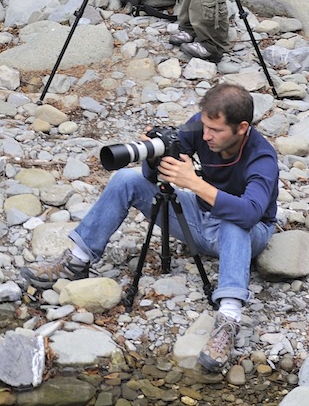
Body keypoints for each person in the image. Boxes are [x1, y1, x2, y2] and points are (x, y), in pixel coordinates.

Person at [20, 82, 279, 374]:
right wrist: (156, 158)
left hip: (246, 234)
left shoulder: (262, 157)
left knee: (234, 221)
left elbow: (250, 213)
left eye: (216, 131)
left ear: (242, 128)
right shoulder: (201, 128)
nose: (206, 136)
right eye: (204, 126)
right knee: (125, 181)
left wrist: (194, 183)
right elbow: (154, 176)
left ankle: (228, 319)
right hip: (199, 218)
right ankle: (77, 259)